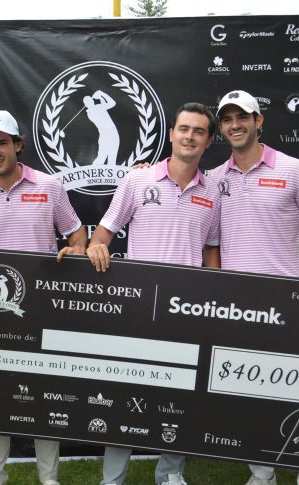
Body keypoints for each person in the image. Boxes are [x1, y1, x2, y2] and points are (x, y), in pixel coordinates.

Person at [207, 90, 299, 485]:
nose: (235, 124)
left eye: (243, 116)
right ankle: (263, 472)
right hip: (241, 306)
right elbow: (213, 245)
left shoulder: (295, 169)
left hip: (290, 302)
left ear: (259, 121)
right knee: (251, 395)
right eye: (227, 119)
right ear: (221, 128)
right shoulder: (215, 180)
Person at [86, 102, 221, 485]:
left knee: (178, 396)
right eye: (183, 129)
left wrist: (214, 298)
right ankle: (113, 478)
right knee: (124, 390)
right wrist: (97, 247)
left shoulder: (213, 191)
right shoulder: (137, 181)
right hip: (137, 309)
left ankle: (170, 473)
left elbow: (211, 249)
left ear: (209, 141)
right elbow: (104, 233)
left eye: (198, 131)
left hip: (187, 311)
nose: (189, 136)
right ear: (173, 133)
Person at [0, 110, 88, 485]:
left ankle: (50, 478)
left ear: (18, 145)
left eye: (2, 143)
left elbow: (77, 236)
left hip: (42, 312)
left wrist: (76, 252)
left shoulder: (50, 186)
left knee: (43, 395)